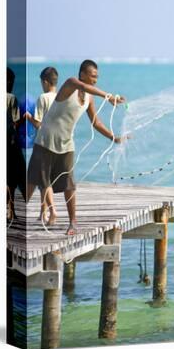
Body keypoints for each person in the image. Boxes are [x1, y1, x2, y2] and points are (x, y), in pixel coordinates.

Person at [27, 59, 125, 234]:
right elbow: (85, 87)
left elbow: (95, 121)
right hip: (45, 141)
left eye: (97, 77)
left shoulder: (89, 98)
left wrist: (113, 138)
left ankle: (73, 223)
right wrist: (108, 96)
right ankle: (14, 215)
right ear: (82, 74)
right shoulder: (70, 83)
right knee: (33, 181)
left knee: (69, 184)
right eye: (92, 76)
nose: (95, 79)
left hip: (66, 144)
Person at [24, 66, 59, 222]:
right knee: (42, 178)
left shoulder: (43, 98)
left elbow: (38, 124)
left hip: (42, 143)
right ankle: (42, 213)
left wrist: (29, 117)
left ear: (45, 82)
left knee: (38, 179)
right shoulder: (60, 98)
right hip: (57, 144)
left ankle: (52, 211)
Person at [6, 67, 26, 221]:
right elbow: (14, 124)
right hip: (9, 143)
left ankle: (10, 211)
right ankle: (11, 211)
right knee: (14, 176)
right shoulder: (11, 98)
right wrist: (25, 118)